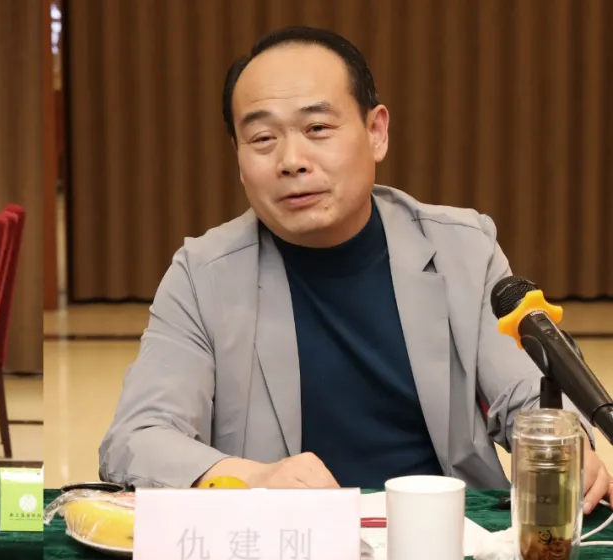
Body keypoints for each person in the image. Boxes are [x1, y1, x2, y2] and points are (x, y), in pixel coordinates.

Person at [98, 26, 613, 513]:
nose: (291, 160)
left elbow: (527, 395)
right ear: (238, 156)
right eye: (262, 139)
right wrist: (252, 478)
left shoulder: (462, 248)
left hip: (445, 535)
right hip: (287, 544)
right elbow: (135, 439)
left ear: (376, 132)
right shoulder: (202, 275)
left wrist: (566, 444)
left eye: (318, 128)